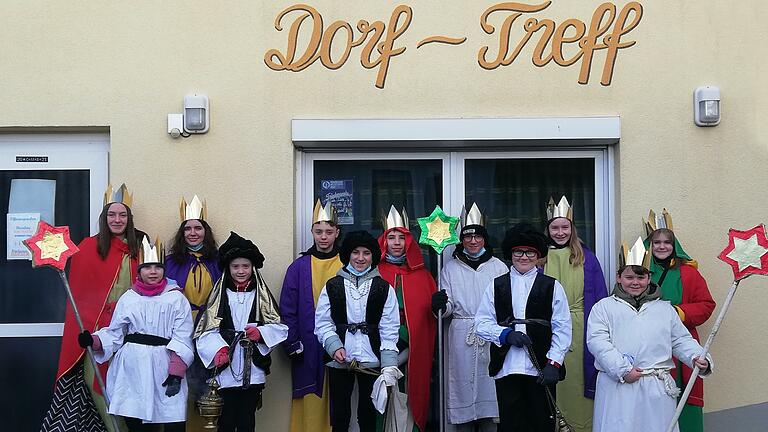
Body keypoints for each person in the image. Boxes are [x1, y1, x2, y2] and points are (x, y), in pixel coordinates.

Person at [42, 184, 145, 432]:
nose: (117, 220)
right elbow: (80, 296)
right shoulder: (89, 247)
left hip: (133, 329)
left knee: (132, 385)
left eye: (122, 215)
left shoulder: (141, 248)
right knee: (96, 381)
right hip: (97, 329)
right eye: (112, 214)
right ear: (104, 217)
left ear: (129, 219)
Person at [587, 238, 713, 432]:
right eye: (629, 277)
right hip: (619, 387)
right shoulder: (603, 308)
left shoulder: (664, 309)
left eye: (641, 277)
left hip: (656, 387)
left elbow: (680, 340)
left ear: (649, 278)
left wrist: (696, 356)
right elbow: (598, 342)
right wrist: (622, 370)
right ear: (619, 278)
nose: (635, 283)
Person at [77, 237, 194, 431]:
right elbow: (115, 333)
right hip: (132, 368)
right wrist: (94, 340)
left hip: (164, 365)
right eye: (148, 267)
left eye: (157, 267)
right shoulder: (129, 298)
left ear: (164, 270)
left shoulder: (176, 298)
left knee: (171, 417)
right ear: (140, 271)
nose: (153, 272)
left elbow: (183, 335)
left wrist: (176, 372)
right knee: (137, 421)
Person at [475, 223, 572, 432]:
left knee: (541, 422)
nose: (524, 257)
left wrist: (554, 363)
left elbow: (562, 327)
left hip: (540, 367)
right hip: (507, 366)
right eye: (519, 251)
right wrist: (506, 334)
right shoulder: (496, 285)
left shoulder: (552, 286)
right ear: (511, 253)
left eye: (530, 252)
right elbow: (481, 323)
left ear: (538, 256)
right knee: (511, 423)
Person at [195, 231, 288, 432]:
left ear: (252, 268)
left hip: (252, 369)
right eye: (235, 266)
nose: (240, 271)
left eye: (245, 266)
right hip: (225, 371)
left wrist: (261, 334)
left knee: (247, 420)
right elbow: (205, 330)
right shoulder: (219, 296)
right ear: (228, 269)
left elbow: (279, 327)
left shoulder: (261, 296)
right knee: (226, 421)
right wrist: (218, 349)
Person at [314, 230, 400, 432]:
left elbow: (389, 328)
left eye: (366, 253)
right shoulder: (333, 286)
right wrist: (334, 347)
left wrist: (388, 365)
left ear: (373, 256)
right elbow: (323, 322)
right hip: (340, 359)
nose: (361, 258)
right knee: (340, 414)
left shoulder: (384, 288)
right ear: (347, 255)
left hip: (371, 359)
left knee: (368, 414)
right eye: (355, 252)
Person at [434, 203, 508, 432]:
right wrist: (440, 305)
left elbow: (506, 303)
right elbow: (446, 309)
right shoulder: (450, 268)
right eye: (468, 237)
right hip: (461, 334)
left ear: (485, 239)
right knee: (462, 386)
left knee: (489, 387)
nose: (473, 241)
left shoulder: (498, 268)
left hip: (490, 333)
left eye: (478, 236)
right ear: (461, 240)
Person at [644, 210, 716, 432]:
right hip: (648, 345)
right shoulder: (640, 271)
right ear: (650, 244)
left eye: (667, 242)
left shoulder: (689, 274)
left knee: (683, 399)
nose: (662, 246)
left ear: (674, 245)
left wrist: (677, 312)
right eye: (657, 242)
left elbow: (706, 304)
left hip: (681, 344)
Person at [540, 196, 607, 432]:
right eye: (555, 227)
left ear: (572, 228)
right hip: (546, 328)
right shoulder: (539, 259)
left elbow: (600, 298)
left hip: (579, 329)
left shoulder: (587, 258)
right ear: (547, 230)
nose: (560, 232)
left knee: (577, 384)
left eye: (565, 227)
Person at [280, 200, 344, 432]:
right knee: (310, 400)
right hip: (307, 344)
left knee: (342, 400)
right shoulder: (298, 267)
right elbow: (287, 309)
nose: (323, 237)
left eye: (328, 231)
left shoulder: (346, 263)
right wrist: (292, 342)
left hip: (342, 342)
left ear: (337, 232)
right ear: (312, 232)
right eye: (319, 231)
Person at [376, 206, 437, 432]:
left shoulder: (423, 275)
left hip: (413, 348)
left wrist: (442, 306)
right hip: (381, 347)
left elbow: (433, 314)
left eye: (401, 237)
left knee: (408, 396)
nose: (397, 242)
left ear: (409, 242)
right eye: (391, 237)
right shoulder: (375, 272)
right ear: (384, 241)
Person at [164, 195, 223, 429]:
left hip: (209, 327)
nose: (193, 233)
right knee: (177, 384)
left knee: (209, 386)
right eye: (187, 228)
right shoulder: (169, 262)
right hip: (179, 329)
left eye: (198, 228)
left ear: (205, 232)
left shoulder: (218, 261)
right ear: (182, 233)